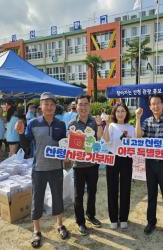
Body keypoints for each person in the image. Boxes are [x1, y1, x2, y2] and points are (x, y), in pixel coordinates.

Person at [17, 92, 69, 248]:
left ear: (55, 107)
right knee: (37, 199)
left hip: (56, 168)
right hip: (38, 168)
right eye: (46, 104)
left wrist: (67, 155)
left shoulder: (61, 124)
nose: (49, 107)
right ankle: (36, 230)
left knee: (57, 196)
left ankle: (60, 225)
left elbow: (63, 144)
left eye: (52, 104)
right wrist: (20, 134)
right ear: (41, 106)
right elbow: (26, 144)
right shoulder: (33, 123)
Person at [135, 94, 163, 241]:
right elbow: (139, 137)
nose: (155, 106)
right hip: (151, 163)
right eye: (152, 104)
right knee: (151, 194)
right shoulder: (146, 122)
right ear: (150, 106)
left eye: (157, 103)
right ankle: (151, 222)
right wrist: (138, 118)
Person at [68, 94, 103, 236]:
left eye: (85, 104)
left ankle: (91, 215)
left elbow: (100, 139)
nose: (83, 107)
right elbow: (70, 145)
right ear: (76, 106)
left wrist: (100, 125)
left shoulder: (94, 121)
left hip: (93, 165)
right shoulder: (72, 124)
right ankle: (80, 222)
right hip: (78, 166)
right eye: (80, 104)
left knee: (92, 192)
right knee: (78, 195)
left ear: (89, 105)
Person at [103, 103, 135, 230]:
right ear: (114, 114)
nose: (120, 113)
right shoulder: (111, 126)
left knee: (125, 188)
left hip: (126, 159)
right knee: (112, 188)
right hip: (113, 158)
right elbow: (106, 140)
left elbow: (134, 143)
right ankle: (113, 218)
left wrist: (129, 139)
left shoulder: (130, 127)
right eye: (118, 111)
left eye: (123, 111)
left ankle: (123, 218)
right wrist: (105, 124)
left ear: (126, 113)